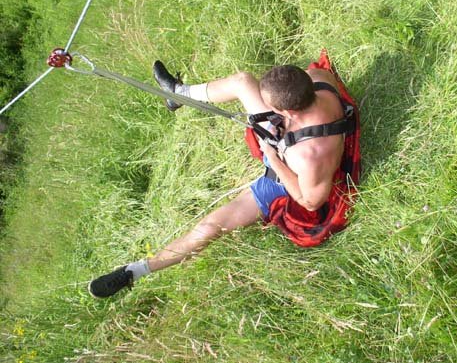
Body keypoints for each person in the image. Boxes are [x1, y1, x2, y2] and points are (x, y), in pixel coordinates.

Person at [88, 59, 347, 298]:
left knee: (210, 227)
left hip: (281, 177)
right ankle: (178, 93)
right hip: (288, 135)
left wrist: (274, 158)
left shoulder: (309, 155)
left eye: (272, 105)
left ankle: (135, 270)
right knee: (243, 82)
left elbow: (310, 202)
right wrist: (278, 125)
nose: (266, 105)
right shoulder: (318, 79)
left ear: (287, 111)